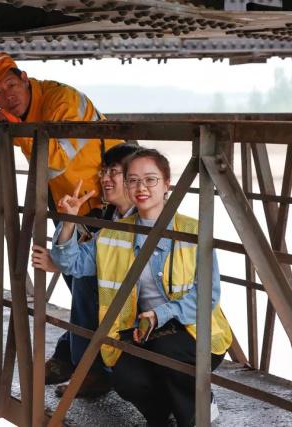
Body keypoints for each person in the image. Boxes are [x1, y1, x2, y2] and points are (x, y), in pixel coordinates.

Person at [49, 149, 232, 426]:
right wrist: (68, 221)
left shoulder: (192, 230)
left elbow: (209, 295)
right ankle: (160, 417)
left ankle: (198, 413)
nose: (141, 187)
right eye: (133, 180)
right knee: (125, 376)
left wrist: (161, 314)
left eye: (150, 179)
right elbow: (70, 263)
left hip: (194, 330)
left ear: (167, 183)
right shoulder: (113, 234)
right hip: (142, 332)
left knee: (166, 347)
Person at [31, 143, 141, 397]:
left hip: (144, 311)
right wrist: (69, 220)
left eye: (113, 172)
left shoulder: (147, 216)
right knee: (85, 281)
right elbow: (83, 258)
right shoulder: (107, 214)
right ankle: (81, 363)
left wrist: (62, 263)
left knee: (86, 283)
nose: (105, 179)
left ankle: (89, 369)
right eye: (104, 172)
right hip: (121, 306)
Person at [0, 52, 123, 217]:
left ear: (24, 79)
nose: (8, 96)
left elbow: (57, 159)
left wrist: (15, 126)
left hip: (109, 199)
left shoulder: (62, 100)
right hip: (68, 201)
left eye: (11, 85)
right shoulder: (25, 110)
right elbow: (23, 138)